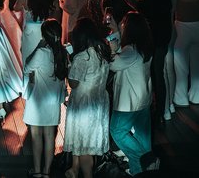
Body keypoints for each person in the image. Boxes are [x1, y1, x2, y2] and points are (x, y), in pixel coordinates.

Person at [109, 12, 160, 174]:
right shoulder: (144, 48)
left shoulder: (130, 50)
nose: (122, 24)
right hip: (143, 99)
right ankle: (141, 171)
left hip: (128, 103)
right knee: (143, 138)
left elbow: (113, 64)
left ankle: (148, 160)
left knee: (117, 130)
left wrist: (112, 51)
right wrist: (115, 31)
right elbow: (123, 56)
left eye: (124, 23)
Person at [63, 18, 112, 178]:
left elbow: (73, 83)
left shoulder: (82, 57)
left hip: (84, 105)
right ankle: (74, 169)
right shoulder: (103, 51)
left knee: (84, 146)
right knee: (84, 140)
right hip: (98, 103)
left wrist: (69, 63)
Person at [127, 0, 173, 123]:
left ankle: (151, 110)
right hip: (163, 41)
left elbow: (131, 2)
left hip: (151, 42)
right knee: (159, 74)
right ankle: (161, 111)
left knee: (149, 75)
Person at [23, 19, 68, 178]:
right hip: (53, 102)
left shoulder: (42, 52)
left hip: (38, 101)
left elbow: (27, 67)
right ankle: (47, 172)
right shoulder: (63, 53)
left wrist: (38, 46)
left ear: (44, 35)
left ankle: (37, 171)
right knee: (50, 138)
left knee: (36, 138)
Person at [171, 0, 199, 107]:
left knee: (181, 69)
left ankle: (181, 99)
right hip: (198, 28)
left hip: (181, 29)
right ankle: (197, 96)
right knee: (197, 67)